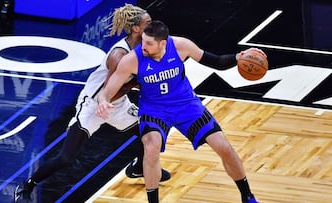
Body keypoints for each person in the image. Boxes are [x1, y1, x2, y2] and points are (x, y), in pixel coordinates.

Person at [14, 5, 171, 202]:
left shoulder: (145, 48)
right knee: (66, 158)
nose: (151, 26)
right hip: (95, 104)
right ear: (135, 29)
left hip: (118, 103)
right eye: (147, 23)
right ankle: (27, 185)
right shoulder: (119, 55)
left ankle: (139, 167)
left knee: (150, 133)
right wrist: (140, 82)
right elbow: (110, 91)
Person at [96, 20, 265, 203]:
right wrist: (103, 101)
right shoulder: (132, 59)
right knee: (151, 148)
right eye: (143, 41)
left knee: (223, 147)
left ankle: (247, 195)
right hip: (155, 109)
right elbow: (107, 90)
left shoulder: (181, 46)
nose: (143, 46)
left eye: (148, 43)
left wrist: (237, 58)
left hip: (186, 105)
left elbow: (216, 62)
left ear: (163, 43)